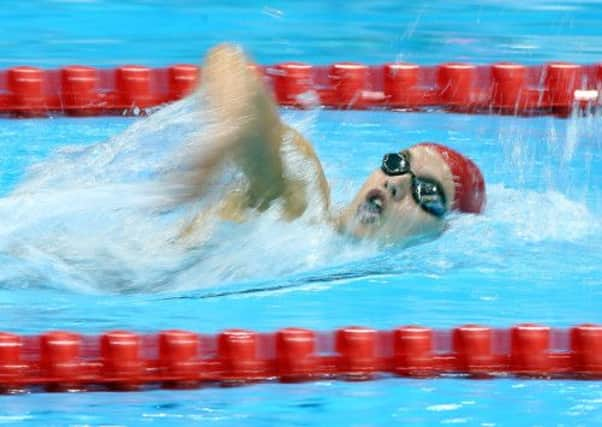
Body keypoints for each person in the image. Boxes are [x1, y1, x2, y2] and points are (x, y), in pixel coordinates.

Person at [176, 44, 486, 243]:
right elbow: (226, 59)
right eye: (398, 163)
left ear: (440, 232)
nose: (397, 183)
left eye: (426, 192)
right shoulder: (301, 199)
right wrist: (230, 128)